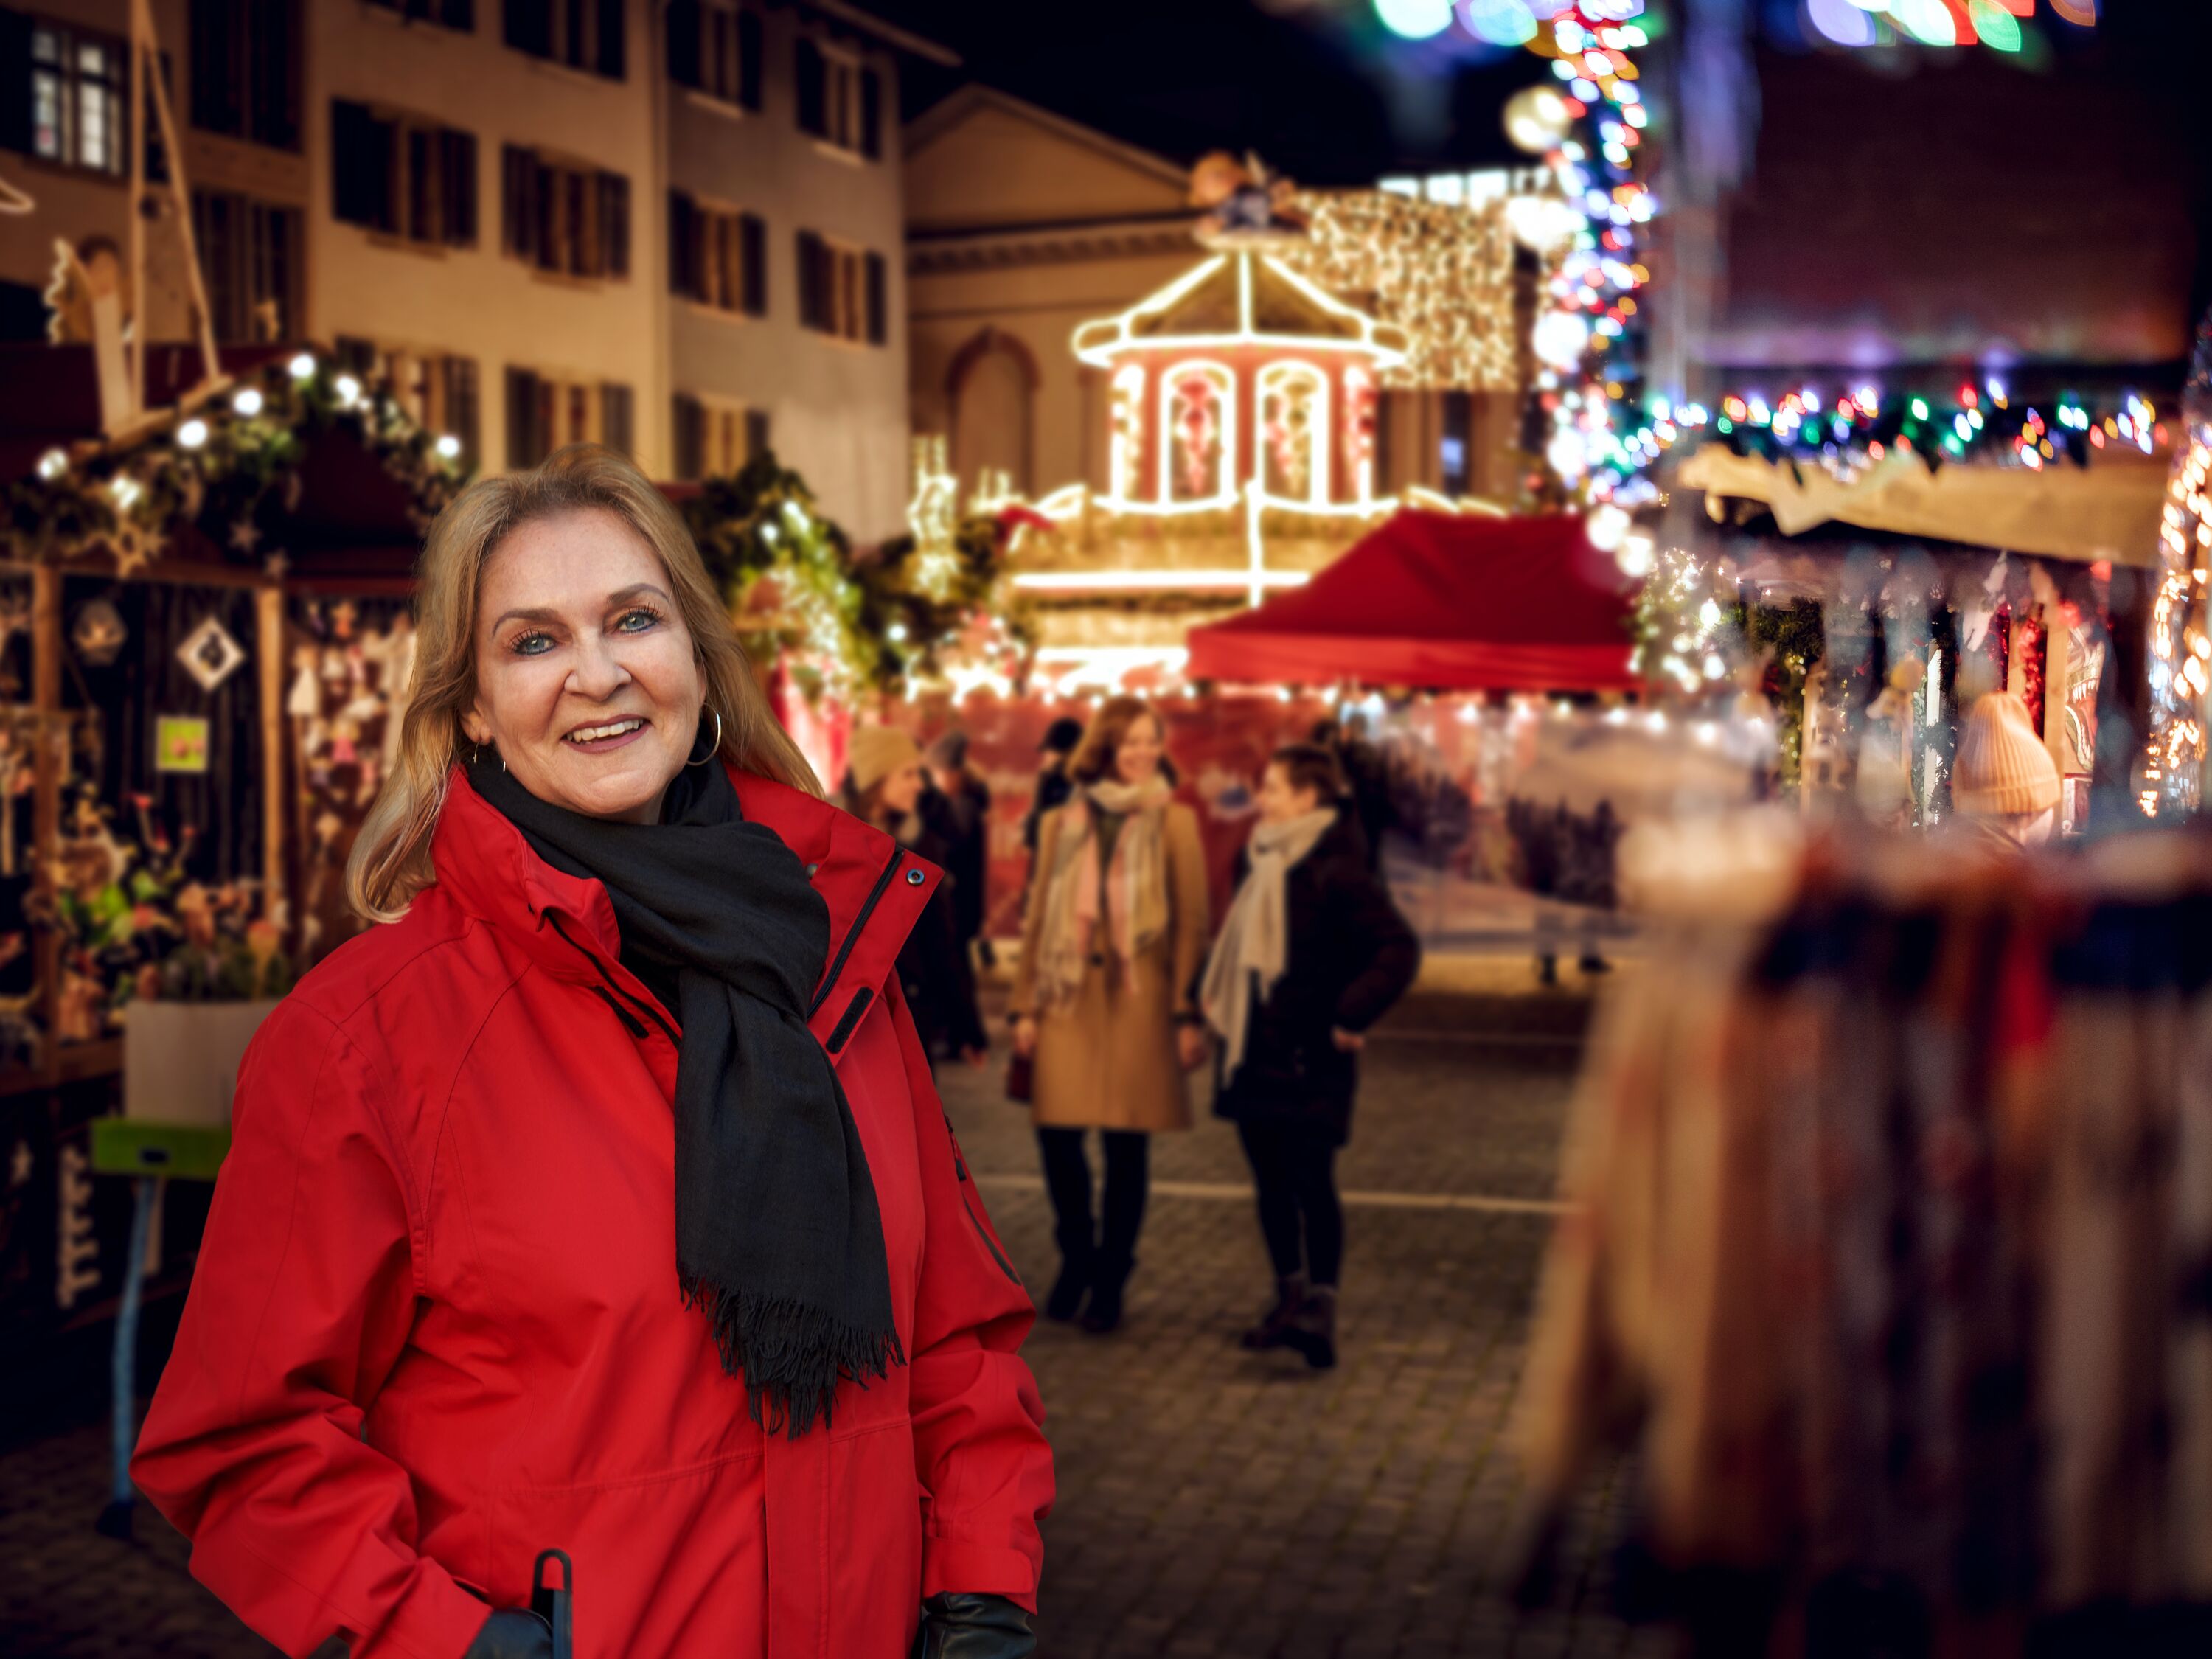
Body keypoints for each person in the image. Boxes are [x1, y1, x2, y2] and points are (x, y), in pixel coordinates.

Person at [131, 446, 1050, 1659]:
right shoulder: (366, 1037)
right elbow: (242, 1441)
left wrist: (981, 1587)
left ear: (698, 660)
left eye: (634, 619)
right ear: (470, 704)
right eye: (533, 641)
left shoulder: (835, 972)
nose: (598, 673)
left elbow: (954, 1339)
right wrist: (459, 1645)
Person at [1202, 743, 1419, 1371]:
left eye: (1273, 788)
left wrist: (1351, 1012)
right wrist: (1198, 1006)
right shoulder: (1258, 858)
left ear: (1307, 796)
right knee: (1270, 1185)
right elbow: (1233, 945)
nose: (1262, 799)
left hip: (1309, 1057)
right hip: (1253, 1050)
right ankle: (1288, 1296)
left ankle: (1321, 1308)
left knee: (1312, 1182)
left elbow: (1397, 949)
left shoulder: (1338, 868)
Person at [1011, 696, 1208, 1335]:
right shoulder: (1059, 823)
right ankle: (1077, 1256)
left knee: (1127, 1146)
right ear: (1105, 748)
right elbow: (1039, 916)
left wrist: (1184, 1010)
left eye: (1152, 741)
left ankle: (1112, 1277)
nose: (1144, 752)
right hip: (1065, 998)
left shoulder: (1174, 822)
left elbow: (1191, 923)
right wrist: (1024, 1005)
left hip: (1140, 1001)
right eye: (1131, 742)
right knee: (1058, 1138)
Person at [846, 724, 988, 1068]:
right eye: (908, 774)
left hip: (909, 1018)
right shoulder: (837, 844)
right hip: (846, 1027)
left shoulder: (921, 849)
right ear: (876, 782)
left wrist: (967, 1030)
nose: (920, 785)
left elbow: (941, 945)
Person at [1952, 688, 2062, 849]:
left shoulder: (1955, 853)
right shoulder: (2009, 864)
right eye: (2047, 802)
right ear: (2029, 809)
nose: (2051, 812)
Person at [922, 729, 992, 964]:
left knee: (956, 963)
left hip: (956, 905)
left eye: (936, 774)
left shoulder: (960, 806)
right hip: (961, 905)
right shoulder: (966, 801)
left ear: (951, 774)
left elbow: (951, 851)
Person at [1020, 716, 1085, 868]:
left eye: (1048, 751)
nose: (1045, 756)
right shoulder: (1088, 780)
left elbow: (1037, 823)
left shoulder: (1050, 778)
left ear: (1058, 752)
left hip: (1051, 861)